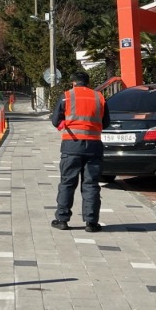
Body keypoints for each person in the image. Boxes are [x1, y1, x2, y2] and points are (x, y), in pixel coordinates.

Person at [51, 71, 110, 233]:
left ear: (73, 83)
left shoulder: (66, 97)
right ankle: (91, 222)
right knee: (91, 184)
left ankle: (62, 219)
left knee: (67, 183)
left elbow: (55, 121)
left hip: (71, 146)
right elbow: (107, 122)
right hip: (94, 146)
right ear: (88, 83)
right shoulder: (99, 97)